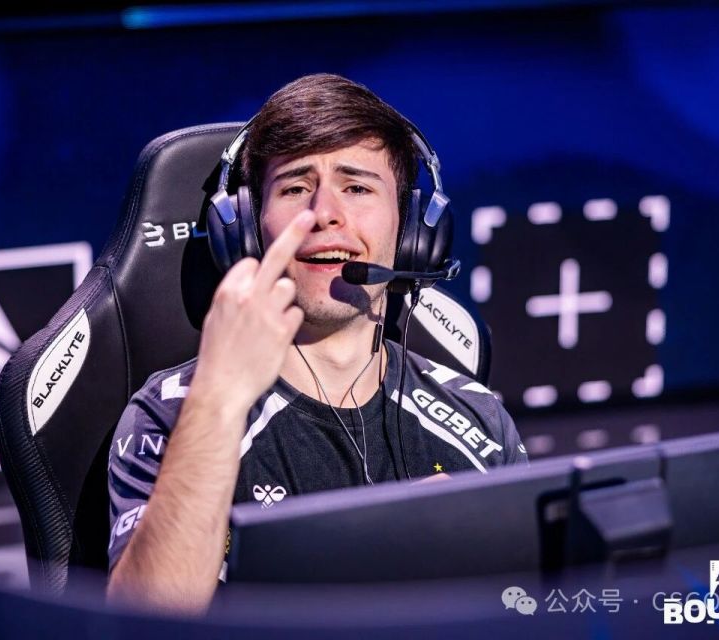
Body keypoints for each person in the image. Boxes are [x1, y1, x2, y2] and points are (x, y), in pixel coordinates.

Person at [105, 73, 527, 614]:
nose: (325, 213)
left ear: (412, 231)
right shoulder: (174, 412)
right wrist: (219, 400)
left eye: (357, 188)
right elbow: (145, 625)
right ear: (247, 231)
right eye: (295, 188)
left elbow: (533, 608)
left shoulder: (479, 421)